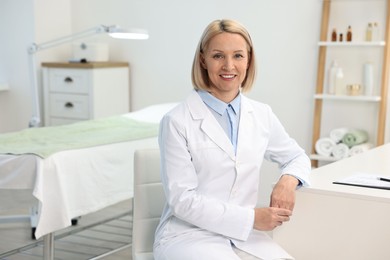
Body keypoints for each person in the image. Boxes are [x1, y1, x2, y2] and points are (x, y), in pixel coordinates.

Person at [153, 19, 310, 260]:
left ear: (248, 60)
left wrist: (287, 181)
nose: (229, 66)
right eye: (218, 56)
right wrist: (252, 218)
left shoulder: (261, 113)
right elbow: (182, 201)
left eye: (238, 56)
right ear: (203, 60)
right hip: (188, 235)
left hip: (244, 236)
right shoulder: (176, 120)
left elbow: (297, 157)